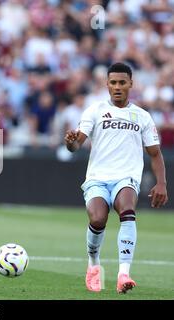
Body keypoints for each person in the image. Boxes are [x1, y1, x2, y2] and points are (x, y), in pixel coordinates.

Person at [64, 62, 168, 294]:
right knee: (98, 219)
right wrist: (70, 142)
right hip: (97, 178)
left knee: (127, 209)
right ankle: (93, 265)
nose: (118, 87)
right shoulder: (94, 111)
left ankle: (124, 273)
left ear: (131, 83)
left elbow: (155, 153)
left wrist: (161, 183)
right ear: (107, 84)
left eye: (122, 82)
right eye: (113, 82)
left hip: (127, 177)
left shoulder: (142, 116)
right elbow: (76, 145)